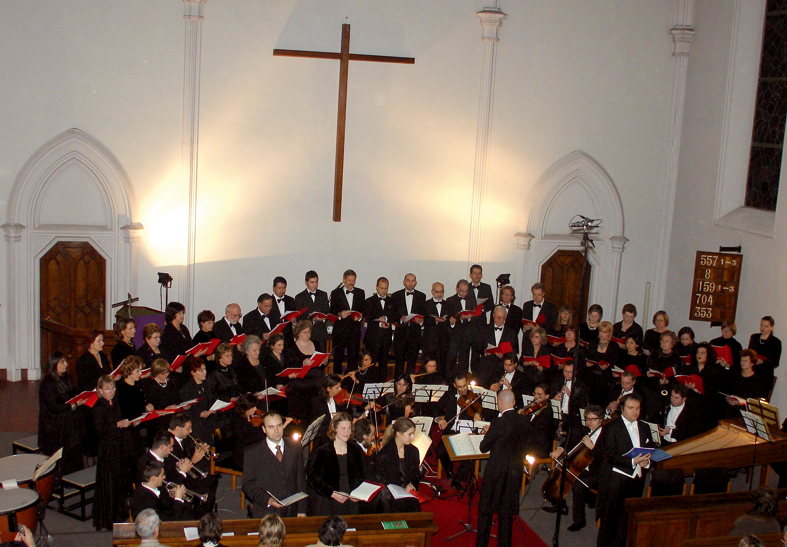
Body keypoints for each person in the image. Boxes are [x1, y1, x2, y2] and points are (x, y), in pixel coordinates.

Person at [596, 393, 655, 547]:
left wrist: (647, 462)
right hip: (616, 480)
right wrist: (633, 461)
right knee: (610, 520)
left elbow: (651, 448)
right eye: (630, 408)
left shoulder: (644, 427)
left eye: (637, 408)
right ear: (622, 409)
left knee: (627, 520)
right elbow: (609, 455)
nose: (635, 412)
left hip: (636, 480)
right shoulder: (611, 427)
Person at [476, 390, 528, 547]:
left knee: (486, 510)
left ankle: (482, 544)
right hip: (514, 473)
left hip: (496, 473)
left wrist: (489, 433)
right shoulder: (524, 421)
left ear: (499, 402)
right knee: (506, 513)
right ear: (513, 403)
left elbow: (484, 447)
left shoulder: (498, 423)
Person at [547, 404, 606, 531]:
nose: (589, 422)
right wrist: (561, 449)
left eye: (593, 419)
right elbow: (573, 440)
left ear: (601, 420)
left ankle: (579, 521)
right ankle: (560, 505)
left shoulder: (606, 436)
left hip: (599, 472)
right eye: (587, 419)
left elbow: (605, 459)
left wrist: (593, 448)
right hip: (584, 467)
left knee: (578, 485)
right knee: (562, 472)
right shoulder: (586, 431)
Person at [243, 411, 307, 517]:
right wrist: (267, 500)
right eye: (271, 427)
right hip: (266, 511)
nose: (276, 431)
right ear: (264, 429)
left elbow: (300, 479)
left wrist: (301, 509)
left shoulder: (295, 446)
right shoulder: (253, 452)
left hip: (292, 510)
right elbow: (248, 484)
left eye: (279, 426)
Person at [307, 411, 369, 516]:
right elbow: (313, 478)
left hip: (350, 499)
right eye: (343, 428)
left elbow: (362, 474)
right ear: (335, 428)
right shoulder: (323, 450)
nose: (347, 432)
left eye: (349, 428)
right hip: (328, 500)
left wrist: (357, 493)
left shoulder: (355, 449)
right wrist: (332, 494)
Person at [93, 375, 132, 531]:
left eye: (113, 388)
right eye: (108, 389)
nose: (112, 391)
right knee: (109, 484)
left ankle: (119, 514)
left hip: (118, 447)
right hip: (107, 450)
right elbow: (100, 431)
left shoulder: (114, 403)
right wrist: (118, 424)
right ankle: (109, 519)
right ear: (100, 390)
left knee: (119, 481)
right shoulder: (98, 407)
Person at [38, 351, 85, 474]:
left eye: (66, 361)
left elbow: (74, 392)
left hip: (68, 423)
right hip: (55, 427)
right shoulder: (47, 384)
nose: (66, 364)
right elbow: (54, 407)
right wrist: (73, 406)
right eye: (62, 362)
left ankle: (75, 472)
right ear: (54, 364)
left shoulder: (66, 378)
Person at [434, 373, 483, 488]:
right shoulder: (449, 395)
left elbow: (481, 412)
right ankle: (449, 471)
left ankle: (458, 479)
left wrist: (478, 416)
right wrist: (439, 420)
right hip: (450, 431)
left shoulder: (475, 397)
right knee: (440, 450)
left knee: (468, 454)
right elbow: (436, 409)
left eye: (465, 386)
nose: (463, 389)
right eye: (460, 387)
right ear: (455, 385)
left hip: (466, 431)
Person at [373, 417, 422, 513]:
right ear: (398, 434)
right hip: (390, 497)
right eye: (410, 434)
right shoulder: (384, 454)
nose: (412, 438)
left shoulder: (413, 451)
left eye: (413, 434)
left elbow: (416, 472)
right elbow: (380, 478)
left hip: (408, 494)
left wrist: (412, 484)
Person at [472, 305, 519, 388]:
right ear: (493, 316)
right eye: (496, 317)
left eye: (501, 318)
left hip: (501, 367)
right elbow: (477, 346)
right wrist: (485, 351)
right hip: (486, 367)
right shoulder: (484, 329)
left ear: (505, 317)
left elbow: (514, 350)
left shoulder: (511, 332)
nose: (498, 320)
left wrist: (504, 356)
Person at [391, 273, 427, 378]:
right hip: (400, 334)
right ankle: (397, 388)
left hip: (414, 334)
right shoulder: (396, 296)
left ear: (416, 282)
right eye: (408, 280)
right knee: (399, 363)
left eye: (412, 280)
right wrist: (400, 318)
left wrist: (420, 320)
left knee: (412, 363)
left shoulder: (421, 296)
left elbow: (424, 314)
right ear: (404, 282)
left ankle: (410, 388)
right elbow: (392, 314)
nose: (410, 283)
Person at [330, 269, 366, 372]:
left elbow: (363, 310)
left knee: (353, 359)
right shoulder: (335, 293)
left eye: (353, 280)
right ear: (344, 280)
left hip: (354, 331)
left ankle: (350, 383)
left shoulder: (360, 292)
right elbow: (332, 311)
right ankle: (336, 382)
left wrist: (359, 317)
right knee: (338, 359)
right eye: (349, 280)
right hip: (340, 331)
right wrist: (340, 314)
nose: (351, 282)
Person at [445, 279, 477, 381]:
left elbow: (476, 316)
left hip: (467, 335)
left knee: (464, 360)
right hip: (454, 335)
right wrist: (458, 319)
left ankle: (462, 383)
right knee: (451, 359)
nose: (464, 293)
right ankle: (450, 382)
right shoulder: (450, 300)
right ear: (457, 289)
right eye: (462, 291)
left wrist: (470, 316)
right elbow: (448, 319)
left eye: (466, 291)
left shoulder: (472, 300)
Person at [362, 277, 393, 382]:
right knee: (371, 363)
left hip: (386, 338)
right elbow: (369, 317)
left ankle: (382, 387)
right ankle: (369, 385)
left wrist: (387, 319)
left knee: (384, 364)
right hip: (373, 338)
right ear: (376, 287)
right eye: (381, 288)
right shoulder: (369, 301)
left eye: (386, 288)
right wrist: (379, 320)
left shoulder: (391, 301)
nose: (384, 291)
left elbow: (395, 316)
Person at [294, 270, 331, 352]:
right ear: (306, 282)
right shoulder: (299, 297)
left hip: (321, 333)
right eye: (312, 282)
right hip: (306, 334)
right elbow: (300, 317)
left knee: (321, 359)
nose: (314, 284)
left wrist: (323, 318)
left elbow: (326, 311)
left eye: (316, 282)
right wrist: (313, 319)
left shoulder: (323, 294)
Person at [748, 316, 781, 396]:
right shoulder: (754, 337)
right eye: (762, 325)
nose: (763, 328)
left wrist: (762, 361)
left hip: (765, 377)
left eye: (766, 326)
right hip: (752, 373)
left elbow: (775, 362)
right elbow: (749, 353)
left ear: (772, 327)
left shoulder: (776, 342)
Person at [422, 282, 451, 374]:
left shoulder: (448, 305)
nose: (439, 294)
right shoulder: (425, 304)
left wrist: (452, 322)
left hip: (443, 341)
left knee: (442, 366)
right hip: (429, 341)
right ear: (432, 292)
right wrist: (435, 320)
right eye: (437, 292)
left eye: (442, 292)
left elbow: (451, 321)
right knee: (428, 366)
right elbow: (423, 320)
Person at [76, 328, 111, 392]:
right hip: (93, 393)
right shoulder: (83, 361)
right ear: (90, 343)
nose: (102, 343)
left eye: (102, 340)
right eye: (99, 341)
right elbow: (83, 385)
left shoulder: (103, 356)